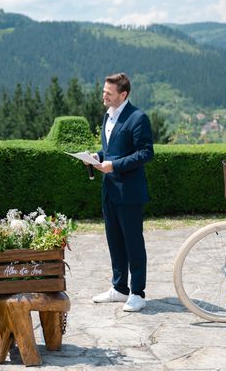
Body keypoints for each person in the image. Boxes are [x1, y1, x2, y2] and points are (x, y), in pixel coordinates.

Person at [91, 72, 154, 312]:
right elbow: (113, 149)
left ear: (123, 94)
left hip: (130, 193)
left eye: (108, 92)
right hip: (109, 191)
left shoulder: (138, 118)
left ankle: (137, 293)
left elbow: (146, 153)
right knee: (115, 241)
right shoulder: (107, 116)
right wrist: (98, 156)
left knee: (133, 243)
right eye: (104, 91)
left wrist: (114, 165)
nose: (103, 96)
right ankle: (119, 288)